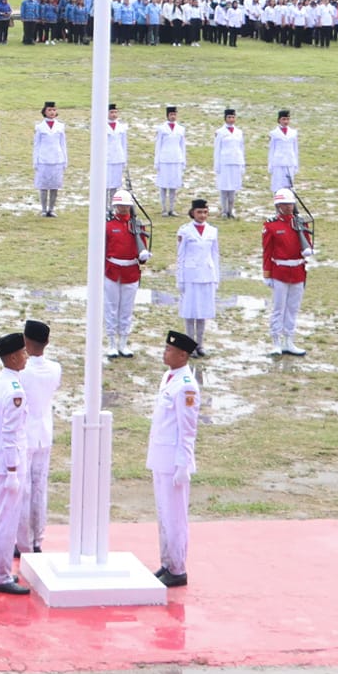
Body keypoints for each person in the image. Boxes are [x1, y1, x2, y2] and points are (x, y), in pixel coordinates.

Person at [146, 329, 200, 588]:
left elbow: (188, 429)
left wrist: (183, 464)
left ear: (182, 354)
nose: (164, 352)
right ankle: (167, 562)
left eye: (169, 350)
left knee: (175, 516)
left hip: (174, 461)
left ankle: (178, 568)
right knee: (164, 514)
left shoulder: (186, 385)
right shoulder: (169, 377)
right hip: (161, 455)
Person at [0, 332, 30, 595]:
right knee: (5, 522)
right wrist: (13, 470)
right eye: (22, 353)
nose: (26, 357)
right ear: (12, 357)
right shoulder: (15, 391)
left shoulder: (0, 381)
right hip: (8, 463)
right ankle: (0, 575)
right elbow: (11, 434)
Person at [18, 319, 61, 557]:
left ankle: (23, 541)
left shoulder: (23, 372)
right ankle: (37, 540)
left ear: (26, 341)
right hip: (44, 433)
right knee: (39, 489)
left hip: (25, 434)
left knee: (24, 490)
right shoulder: (54, 368)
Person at [261, 190, 311, 357]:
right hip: (280, 271)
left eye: (291, 204)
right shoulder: (271, 225)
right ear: (278, 206)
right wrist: (267, 274)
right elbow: (267, 252)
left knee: (293, 308)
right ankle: (276, 342)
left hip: (297, 270)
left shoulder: (300, 222)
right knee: (278, 308)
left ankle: (289, 340)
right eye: (285, 204)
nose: (289, 207)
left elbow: (307, 245)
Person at [103, 192, 147, 358]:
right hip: (112, 270)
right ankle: (111, 343)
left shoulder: (137, 225)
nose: (122, 208)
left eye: (125, 205)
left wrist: (143, 256)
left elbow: (142, 246)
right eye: (120, 205)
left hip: (131, 271)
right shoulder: (108, 226)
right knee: (111, 308)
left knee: (126, 309)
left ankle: (123, 343)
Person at [176, 197, 221, 359]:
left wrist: (216, 277)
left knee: (202, 312)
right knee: (190, 313)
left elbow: (215, 255)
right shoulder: (185, 231)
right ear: (192, 213)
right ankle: (190, 346)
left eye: (205, 212)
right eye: (199, 212)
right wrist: (179, 279)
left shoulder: (212, 231)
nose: (202, 215)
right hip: (190, 275)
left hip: (206, 275)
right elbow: (180, 256)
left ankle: (200, 344)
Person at [31, 102, 68, 217]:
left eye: (54, 110)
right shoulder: (40, 127)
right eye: (49, 110)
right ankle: (43, 209)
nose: (52, 112)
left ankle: (51, 209)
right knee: (43, 186)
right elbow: (36, 145)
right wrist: (35, 160)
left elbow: (63, 144)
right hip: (43, 159)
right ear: (45, 112)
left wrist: (65, 159)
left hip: (57, 159)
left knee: (54, 186)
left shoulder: (60, 126)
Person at [152, 107, 186, 217]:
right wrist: (156, 161)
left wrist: (183, 160)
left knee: (173, 186)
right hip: (164, 159)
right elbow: (158, 145)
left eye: (174, 114)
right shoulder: (161, 129)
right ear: (167, 115)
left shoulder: (180, 129)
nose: (173, 116)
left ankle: (172, 208)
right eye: (171, 114)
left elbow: (182, 146)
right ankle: (164, 209)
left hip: (176, 159)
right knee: (163, 185)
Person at [212, 109, 245, 219]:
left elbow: (241, 148)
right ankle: (224, 210)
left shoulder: (239, 132)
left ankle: (231, 210)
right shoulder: (220, 132)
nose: (231, 119)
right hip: (224, 162)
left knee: (233, 188)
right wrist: (217, 164)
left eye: (233, 117)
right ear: (225, 118)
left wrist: (242, 164)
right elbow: (217, 149)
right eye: (229, 117)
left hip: (235, 161)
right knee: (224, 187)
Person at [267, 110, 300, 192]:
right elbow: (272, 149)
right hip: (278, 162)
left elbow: (295, 149)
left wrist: (296, 164)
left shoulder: (293, 133)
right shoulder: (274, 133)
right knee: (278, 184)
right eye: (284, 119)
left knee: (289, 184)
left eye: (288, 119)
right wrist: (270, 164)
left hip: (290, 161)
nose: (286, 121)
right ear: (279, 120)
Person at [102, 104, 127, 208]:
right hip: (106, 158)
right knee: (105, 184)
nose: (114, 115)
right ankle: (104, 206)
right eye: (111, 112)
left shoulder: (121, 127)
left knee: (115, 185)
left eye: (115, 112)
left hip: (117, 158)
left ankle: (112, 206)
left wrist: (124, 159)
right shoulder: (102, 126)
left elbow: (124, 144)